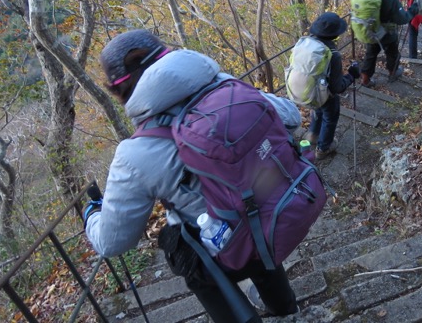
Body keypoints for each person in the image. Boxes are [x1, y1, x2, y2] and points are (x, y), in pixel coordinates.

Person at [85, 29, 301, 322]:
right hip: (275, 212)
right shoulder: (224, 85)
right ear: (167, 54)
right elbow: (291, 117)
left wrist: (92, 216)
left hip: (225, 246)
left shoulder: (135, 153)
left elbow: (112, 242)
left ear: (119, 91)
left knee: (179, 245)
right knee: (250, 213)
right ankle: (285, 307)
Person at [304, 12, 359, 159]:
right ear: (334, 35)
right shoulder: (332, 54)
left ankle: (312, 135)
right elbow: (337, 87)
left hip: (308, 89)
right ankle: (323, 148)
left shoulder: (307, 43)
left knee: (317, 110)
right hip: (324, 93)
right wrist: (351, 75)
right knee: (330, 116)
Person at [358, 0, 417, 87]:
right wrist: (412, 11)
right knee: (392, 53)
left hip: (370, 29)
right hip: (387, 32)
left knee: (370, 54)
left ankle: (365, 79)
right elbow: (402, 19)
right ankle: (393, 72)